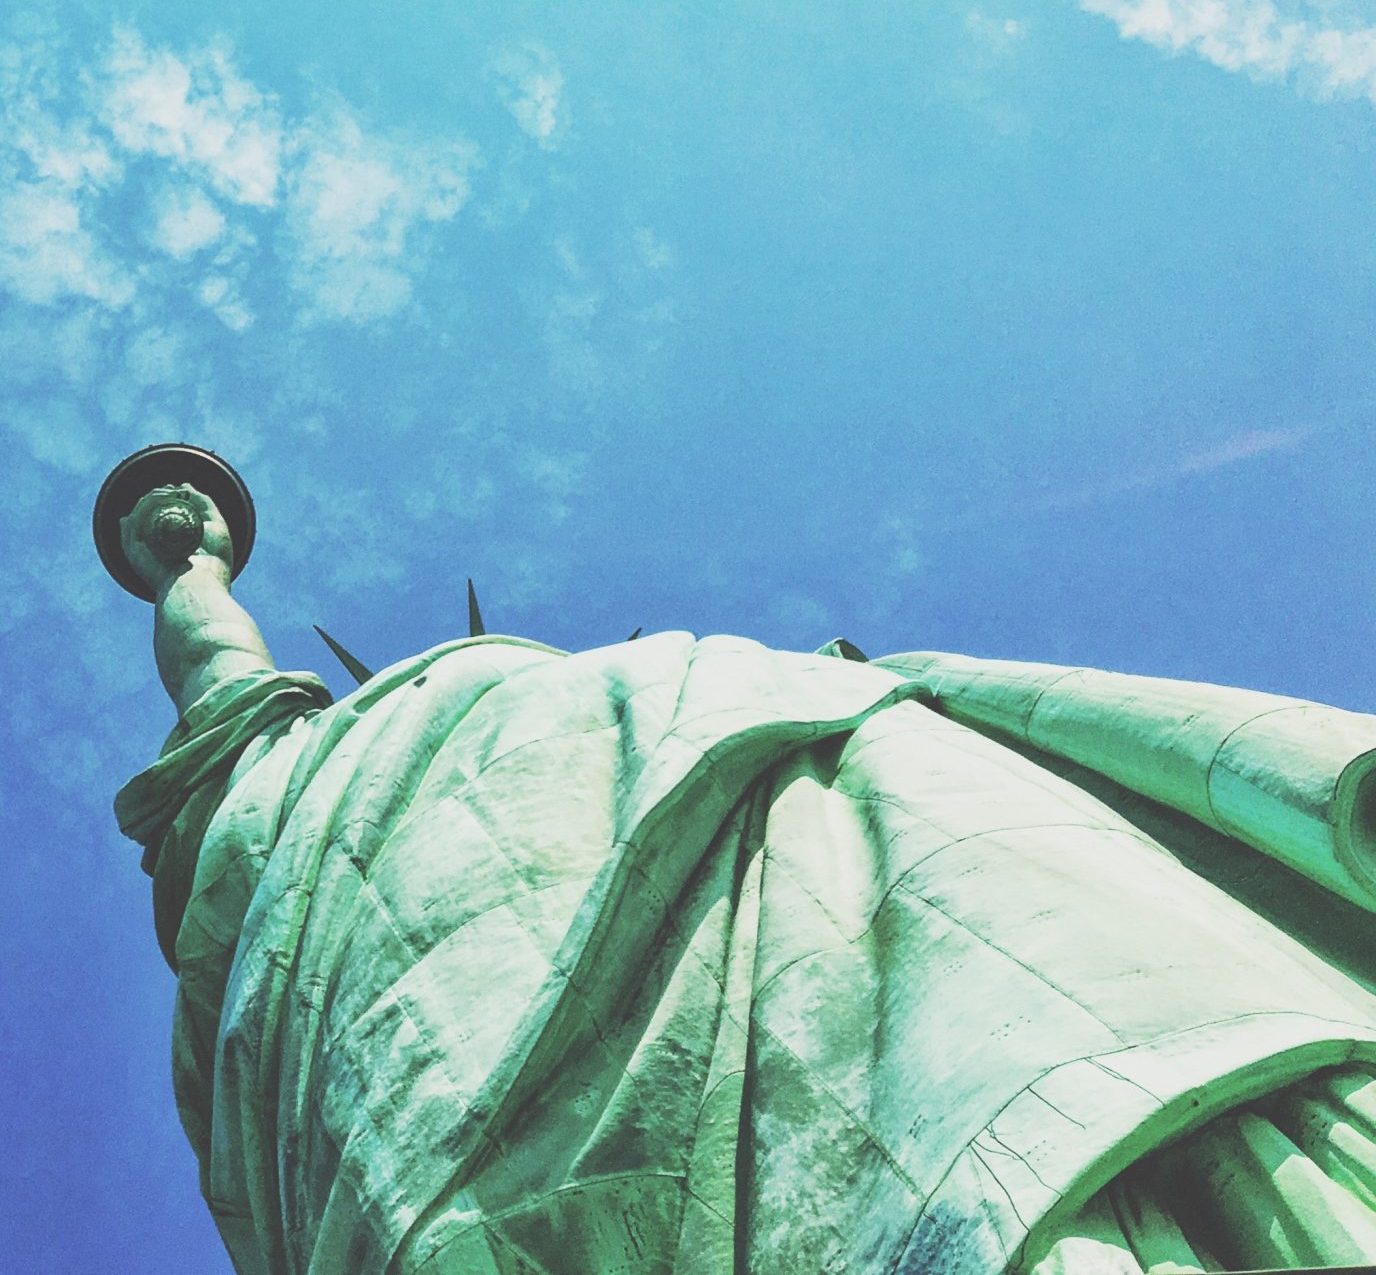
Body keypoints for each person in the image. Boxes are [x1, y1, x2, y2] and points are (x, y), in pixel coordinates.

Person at [111, 480, 1376, 1275]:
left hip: (901, 879)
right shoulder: (357, 771)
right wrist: (191, 568)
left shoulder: (747, 701)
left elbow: (225, 689)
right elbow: (223, 684)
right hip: (849, 890)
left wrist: (191, 569)